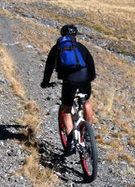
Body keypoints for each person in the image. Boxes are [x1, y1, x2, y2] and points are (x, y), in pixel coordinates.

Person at [41, 24, 96, 154]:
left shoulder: (57, 47)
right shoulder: (81, 47)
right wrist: (91, 76)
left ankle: (70, 141)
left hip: (69, 81)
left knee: (66, 110)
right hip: (84, 78)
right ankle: (88, 133)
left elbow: (49, 66)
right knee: (87, 102)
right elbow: (90, 62)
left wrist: (45, 82)